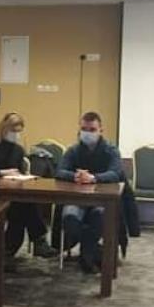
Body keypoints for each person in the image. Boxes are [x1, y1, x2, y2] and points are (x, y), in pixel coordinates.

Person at [0, 112, 55, 260]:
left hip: (11, 193)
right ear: (4, 129)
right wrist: (0, 172)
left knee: (23, 205)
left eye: (19, 131)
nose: (16, 135)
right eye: (13, 131)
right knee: (23, 207)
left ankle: (7, 253)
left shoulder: (18, 150)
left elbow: (19, 172)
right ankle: (35, 241)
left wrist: (23, 176)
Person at [56, 112, 122, 273]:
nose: (87, 133)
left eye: (92, 129)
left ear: (101, 130)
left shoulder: (111, 150)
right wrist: (75, 176)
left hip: (101, 200)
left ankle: (86, 256)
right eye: (84, 129)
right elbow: (59, 171)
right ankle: (94, 251)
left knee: (100, 217)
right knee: (69, 218)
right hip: (77, 199)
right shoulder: (73, 150)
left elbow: (115, 173)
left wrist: (93, 178)